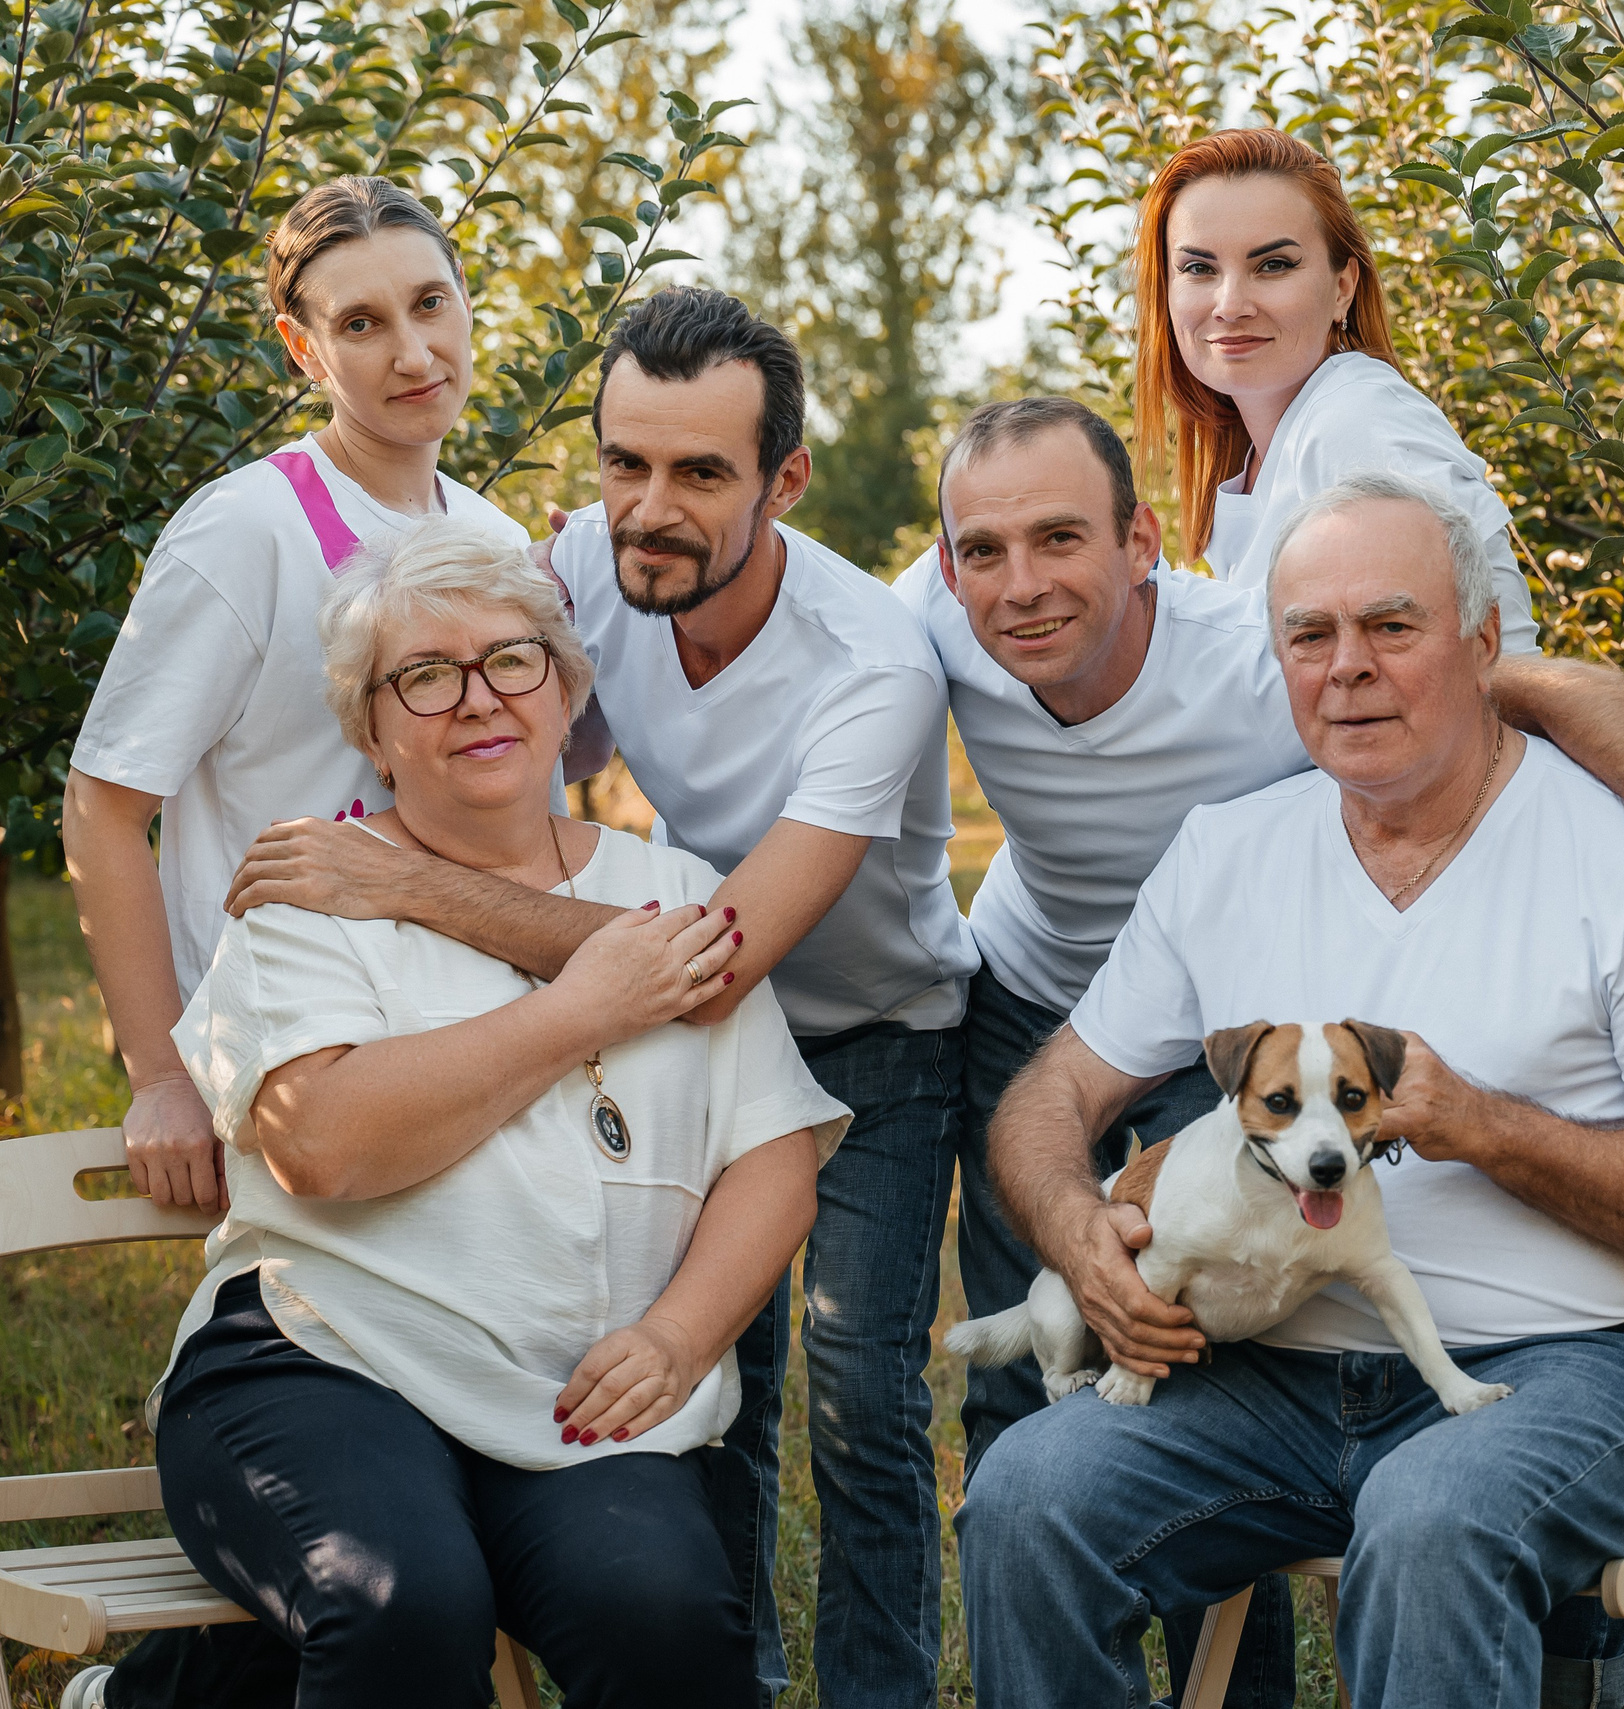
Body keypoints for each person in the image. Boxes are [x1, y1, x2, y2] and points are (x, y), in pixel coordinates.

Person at [899, 389, 1624, 1700]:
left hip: (1577, 1369)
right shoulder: (1232, 852)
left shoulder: (1620, 859)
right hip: (1275, 1376)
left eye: (1390, 627)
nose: (1346, 667)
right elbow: (1050, 1095)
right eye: (1307, 634)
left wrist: (1480, 1123)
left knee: (1432, 1520)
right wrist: (1078, 1235)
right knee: (1029, 1494)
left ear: (1484, 643)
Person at [217, 287, 978, 1709]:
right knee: (705, 1406)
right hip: (651, 983)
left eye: (701, 471)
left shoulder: (872, 661)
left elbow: (706, 961)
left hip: (856, 1017)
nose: (651, 505)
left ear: (784, 479)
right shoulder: (578, 566)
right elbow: (459, 689)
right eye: (625, 461)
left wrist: (415, 889)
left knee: (863, 1406)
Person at [148, 514, 847, 1706]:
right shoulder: (309, 894)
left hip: (573, 1390)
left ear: (567, 691)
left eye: (512, 659)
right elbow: (318, 1142)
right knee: (403, 1602)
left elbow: (773, 1153)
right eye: (423, 675)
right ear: (371, 728)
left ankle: (181, 1690)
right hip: (326, 1355)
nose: (477, 698)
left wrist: (679, 1335)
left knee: (669, 1621)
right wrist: (584, 1007)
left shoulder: (669, 894)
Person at [59, 175, 539, 1709]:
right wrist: (157, 1072)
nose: (410, 350)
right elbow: (102, 807)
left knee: (394, 1489)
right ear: (300, 345)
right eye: (360, 322)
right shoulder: (248, 534)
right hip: (289, 1067)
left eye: (431, 304)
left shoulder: (490, 534)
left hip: (449, 1057)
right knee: (344, 1444)